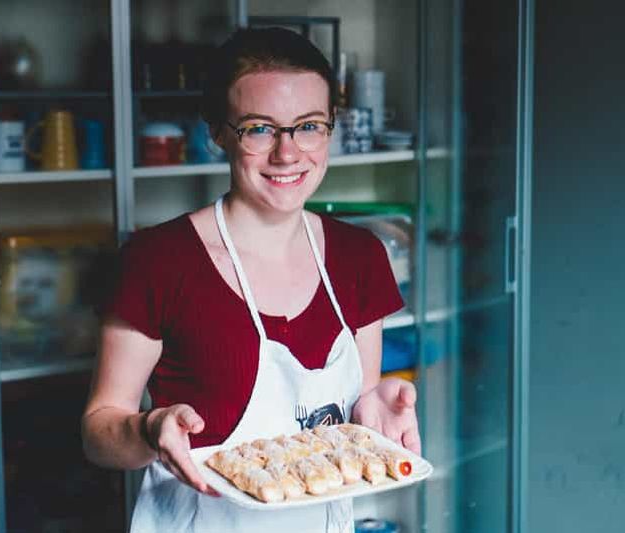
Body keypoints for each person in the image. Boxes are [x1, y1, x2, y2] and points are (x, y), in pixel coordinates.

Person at [82, 27, 420, 533]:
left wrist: (375, 412)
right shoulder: (158, 261)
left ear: (331, 128)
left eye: (308, 126)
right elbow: (98, 431)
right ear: (219, 132)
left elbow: (357, 406)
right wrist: (148, 430)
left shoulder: (360, 257)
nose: (288, 154)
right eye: (260, 129)